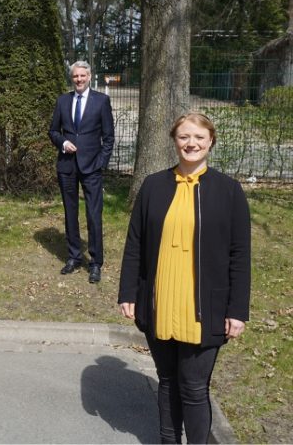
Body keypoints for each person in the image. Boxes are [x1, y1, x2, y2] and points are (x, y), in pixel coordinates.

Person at [118, 112, 251, 444]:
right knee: (166, 380)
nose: (191, 143)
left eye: (199, 138)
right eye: (184, 137)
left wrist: (237, 310)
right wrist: (128, 292)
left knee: (193, 386)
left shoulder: (229, 191)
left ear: (210, 142)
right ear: (174, 141)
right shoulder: (153, 186)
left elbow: (240, 255)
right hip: (160, 301)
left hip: (205, 307)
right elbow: (135, 243)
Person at [48, 60, 115, 283]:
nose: (79, 80)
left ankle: (95, 262)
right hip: (67, 166)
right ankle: (74, 256)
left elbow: (109, 137)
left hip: (92, 168)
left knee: (93, 215)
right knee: (70, 213)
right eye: (75, 76)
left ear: (89, 76)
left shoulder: (101, 101)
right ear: (72, 78)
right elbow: (53, 131)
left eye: (82, 76)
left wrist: (101, 163)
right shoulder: (63, 100)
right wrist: (63, 143)